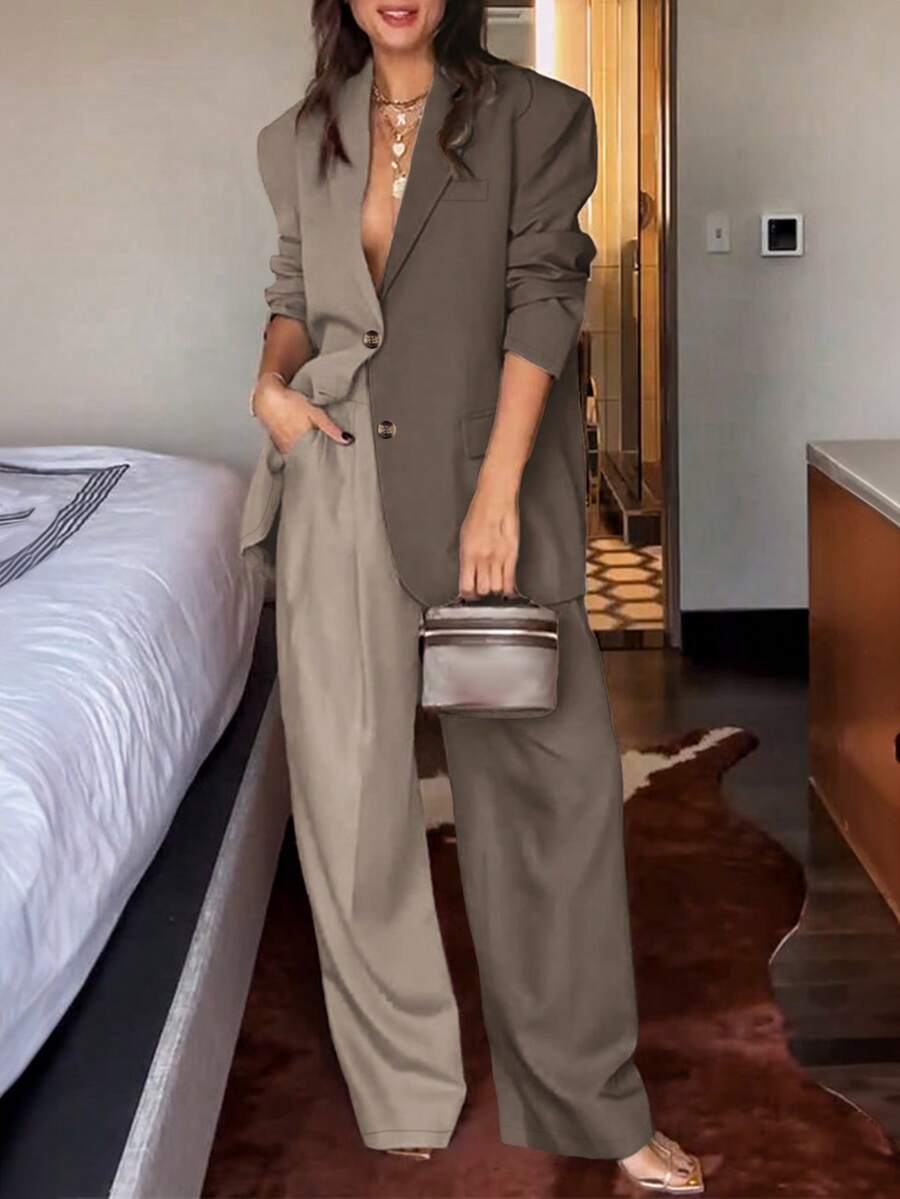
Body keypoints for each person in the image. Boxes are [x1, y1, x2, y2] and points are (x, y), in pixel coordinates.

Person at [239, 0, 704, 1191]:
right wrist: (271, 386)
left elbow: (545, 296)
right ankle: (401, 1079)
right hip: (339, 479)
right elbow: (295, 289)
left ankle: (590, 1098)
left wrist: (497, 496)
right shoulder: (297, 137)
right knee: (351, 800)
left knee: (549, 796)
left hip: (489, 490)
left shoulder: (540, 116)